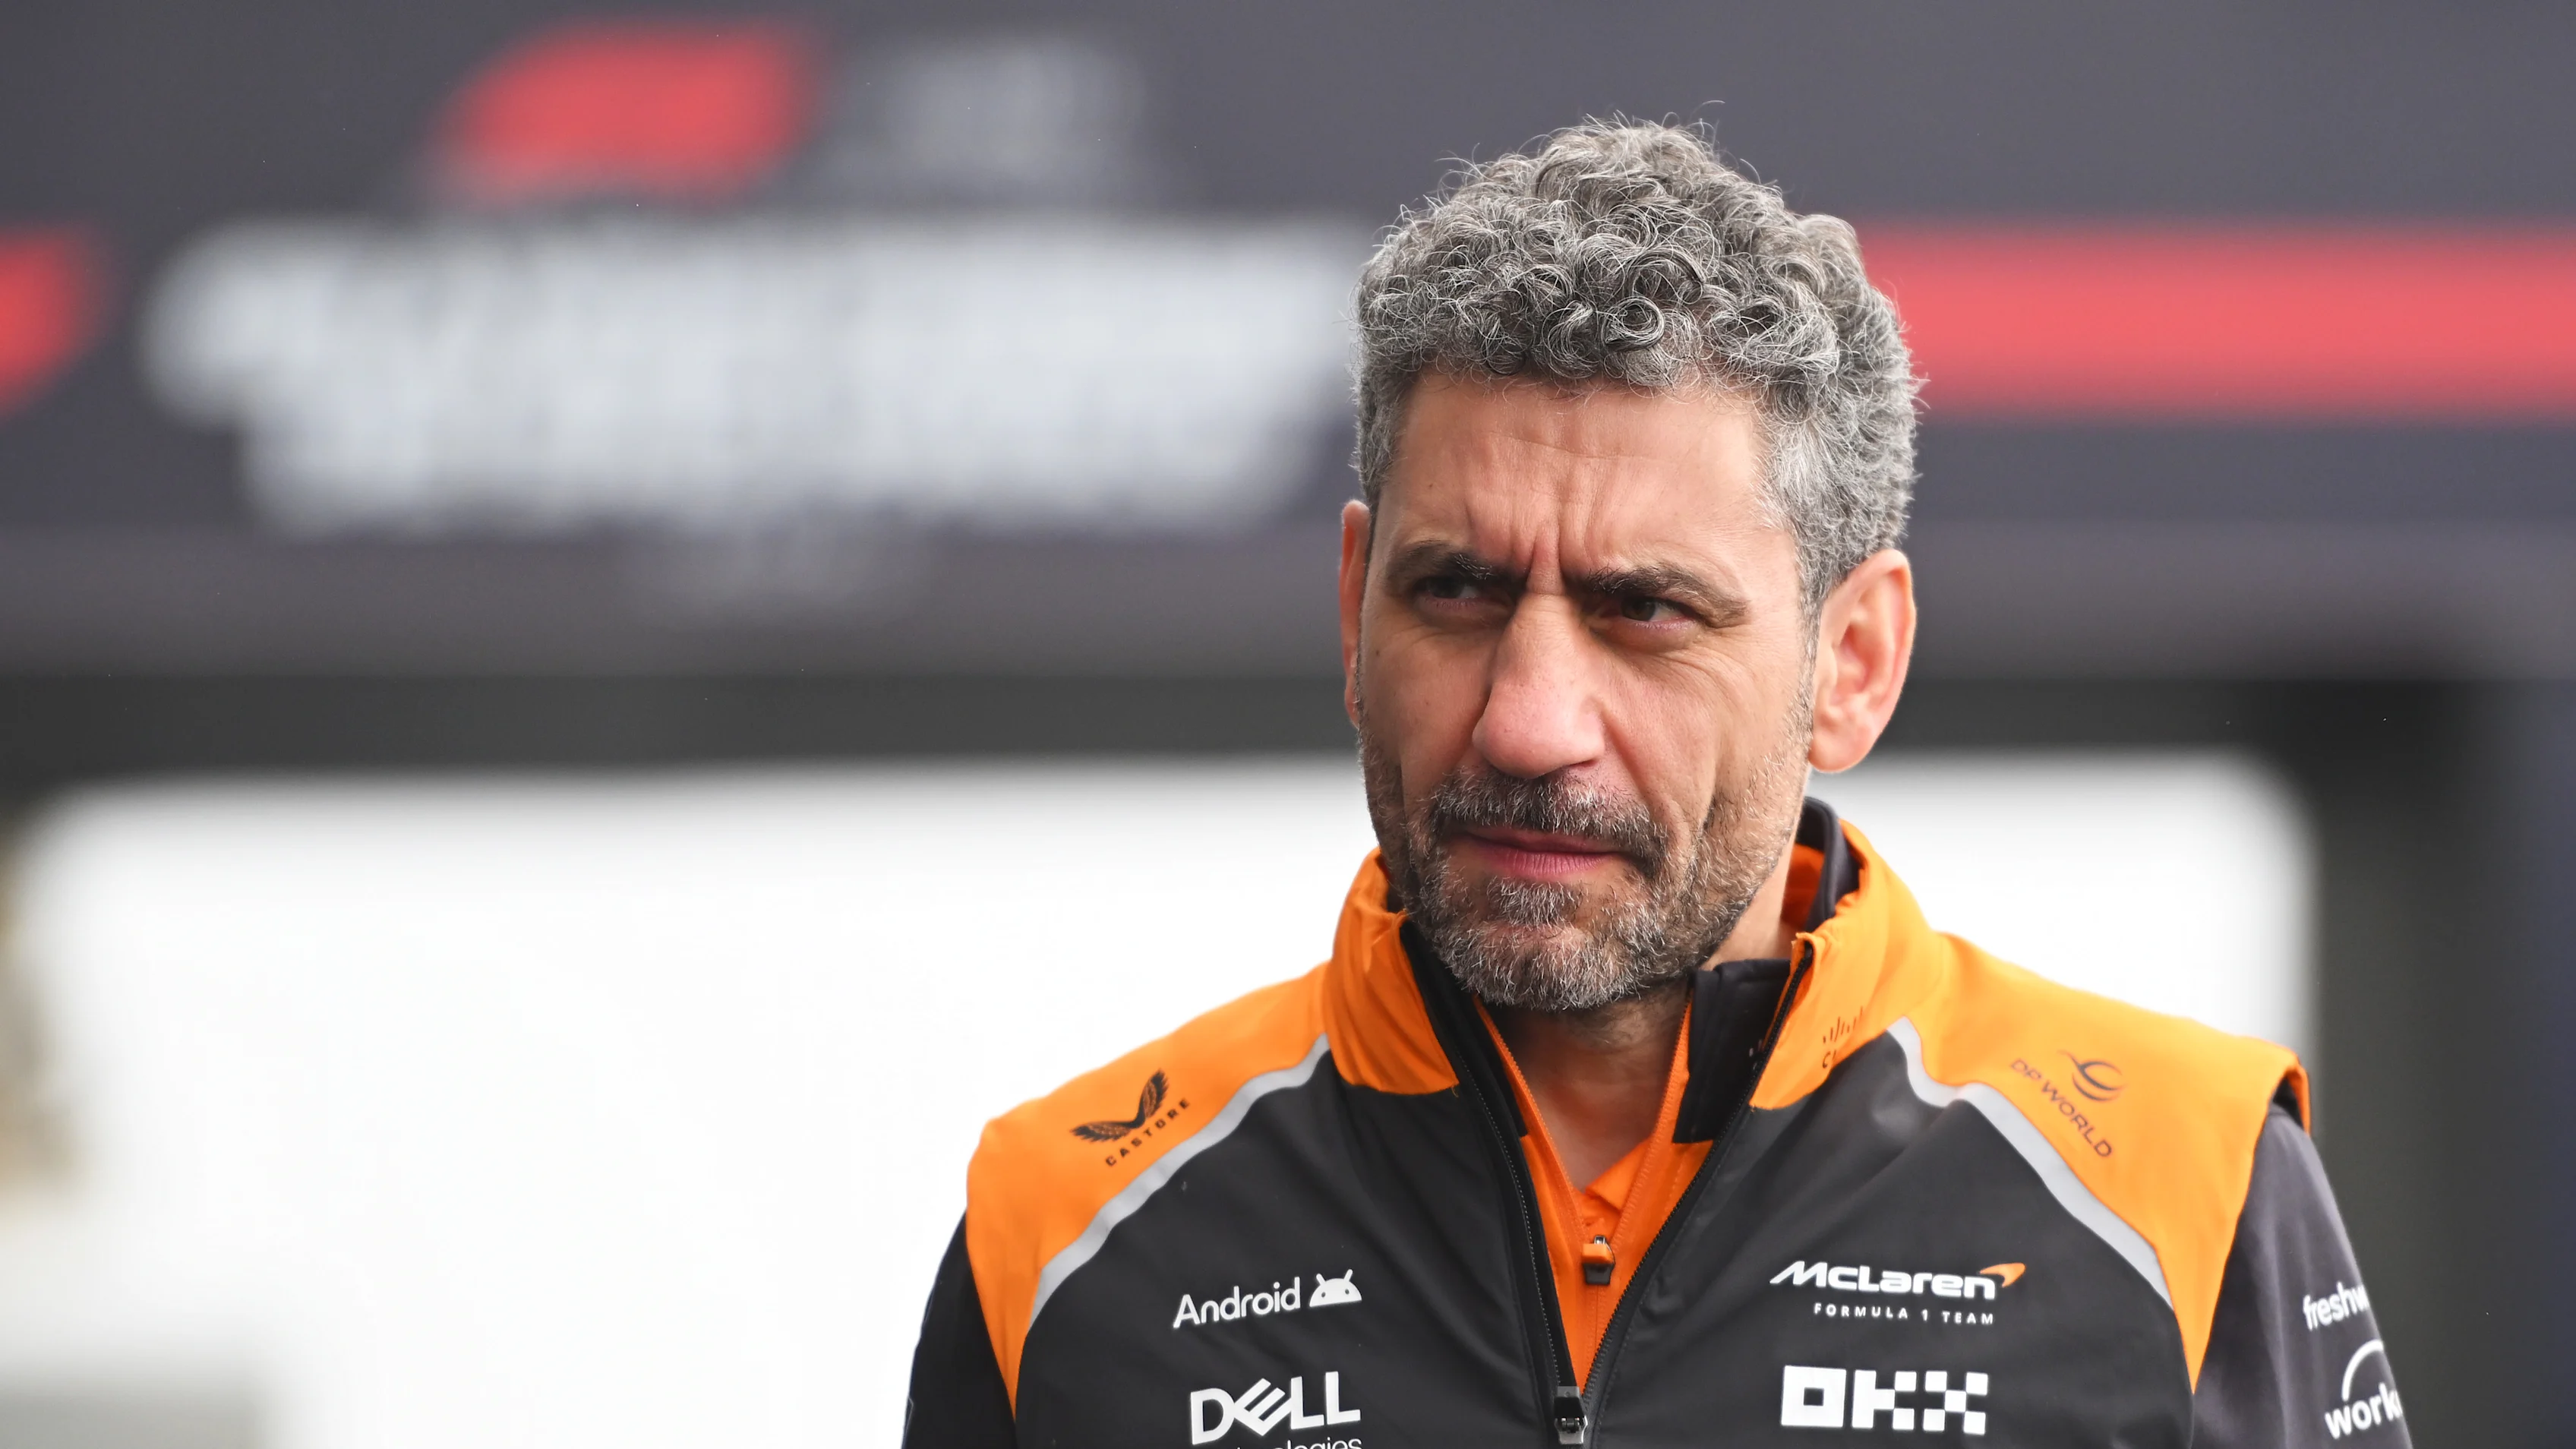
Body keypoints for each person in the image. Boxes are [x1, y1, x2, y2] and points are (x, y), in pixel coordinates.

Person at [903, 121, 2405, 1447]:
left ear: (1853, 661)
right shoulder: (1062, 1240)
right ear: (1354, 604)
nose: (1526, 722)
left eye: (1645, 612)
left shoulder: (2182, 1195)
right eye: (1455, 592)